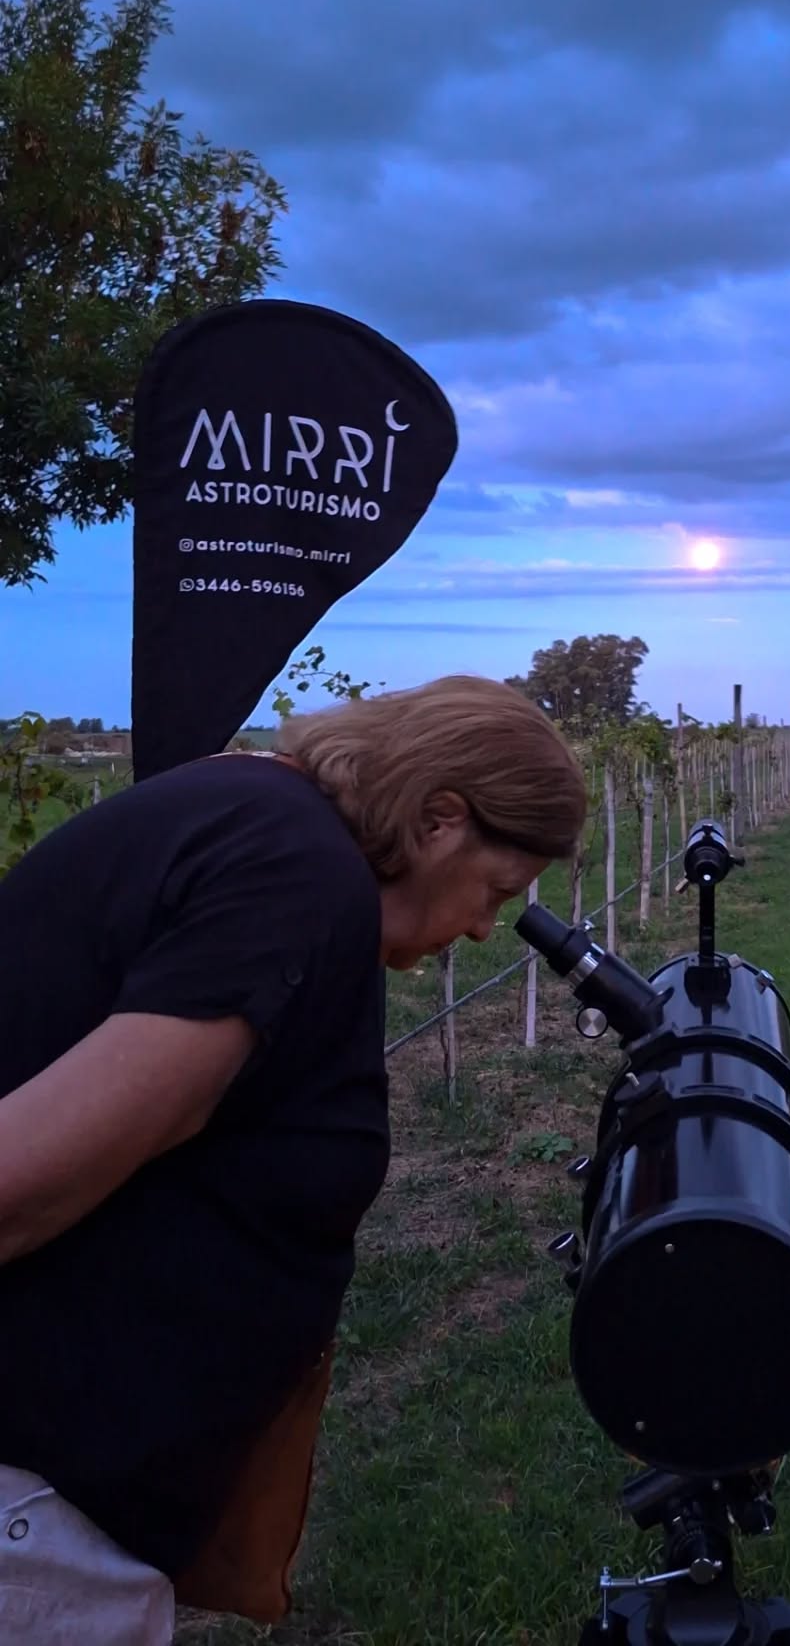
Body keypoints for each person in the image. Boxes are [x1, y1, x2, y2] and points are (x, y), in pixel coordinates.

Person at [0, 674, 585, 1642]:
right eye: (498, 890)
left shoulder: (254, 822)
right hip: (31, 1519)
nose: (487, 928)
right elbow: (21, 1185)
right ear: (440, 819)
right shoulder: (293, 872)